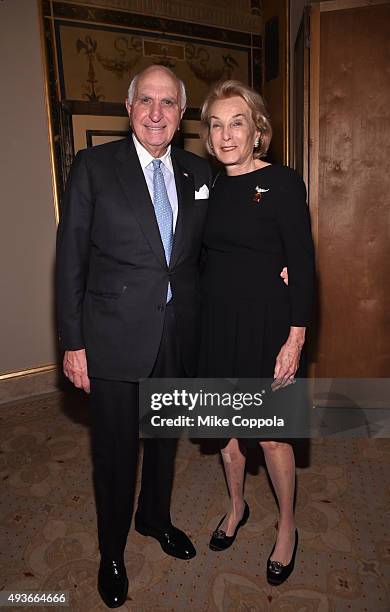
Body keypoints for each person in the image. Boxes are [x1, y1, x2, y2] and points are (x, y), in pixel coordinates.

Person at [56, 65, 212, 608]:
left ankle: (155, 518)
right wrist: (72, 343)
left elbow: (214, 250)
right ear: (128, 108)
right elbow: (70, 260)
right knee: (116, 454)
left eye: (168, 103)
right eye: (146, 100)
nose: (155, 113)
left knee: (165, 444)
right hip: (114, 340)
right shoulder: (95, 168)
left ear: (181, 114)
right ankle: (112, 551)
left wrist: (277, 269)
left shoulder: (198, 174)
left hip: (177, 336)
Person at [199, 80, 314, 586]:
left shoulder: (284, 183)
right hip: (216, 326)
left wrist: (295, 338)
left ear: (257, 130)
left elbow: (305, 268)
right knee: (225, 435)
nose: (226, 135)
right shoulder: (210, 185)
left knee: (270, 438)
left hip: (268, 327)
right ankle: (237, 506)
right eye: (217, 124)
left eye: (237, 122)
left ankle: (287, 526)